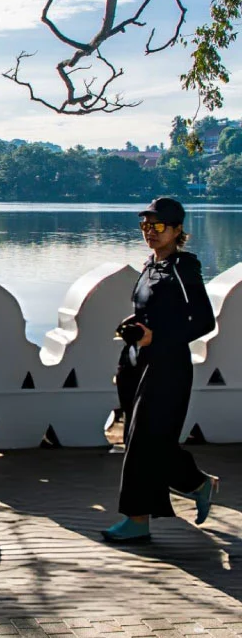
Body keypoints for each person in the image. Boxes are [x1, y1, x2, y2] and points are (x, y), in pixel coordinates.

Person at [102, 197, 218, 544]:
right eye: (145, 226)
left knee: (142, 443)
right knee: (150, 441)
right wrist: (134, 327)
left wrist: (159, 336)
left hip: (168, 367)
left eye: (158, 226)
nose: (150, 232)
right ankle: (197, 484)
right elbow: (153, 311)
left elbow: (203, 321)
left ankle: (137, 519)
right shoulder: (150, 265)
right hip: (138, 363)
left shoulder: (183, 267)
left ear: (178, 230)